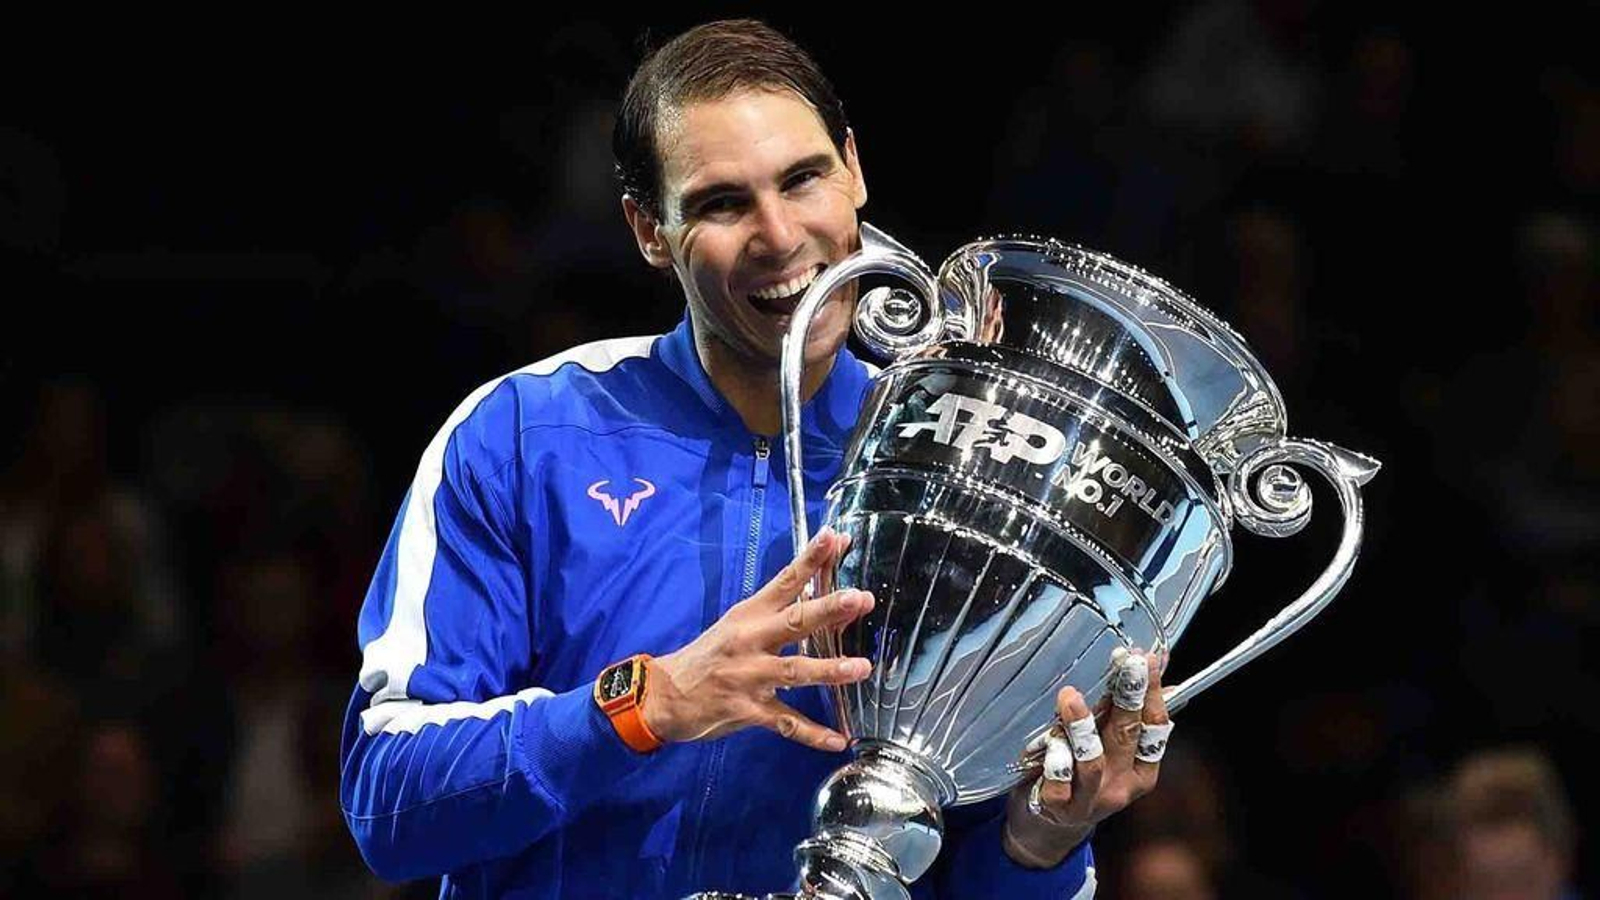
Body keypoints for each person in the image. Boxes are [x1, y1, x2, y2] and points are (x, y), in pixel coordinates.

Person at [339, 19, 1171, 899]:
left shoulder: (967, 457)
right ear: (649, 230)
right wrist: (644, 705)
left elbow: (974, 853)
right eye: (721, 203)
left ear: (853, 167)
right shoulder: (526, 434)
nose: (778, 236)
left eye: (804, 179)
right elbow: (388, 804)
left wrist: (1041, 842)